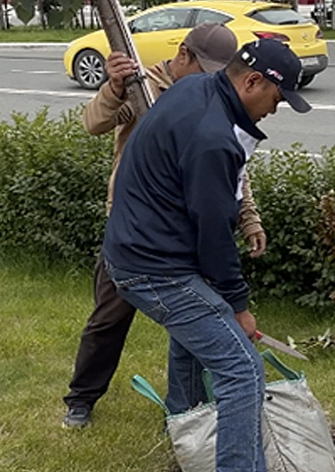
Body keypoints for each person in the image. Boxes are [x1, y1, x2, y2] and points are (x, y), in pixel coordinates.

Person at [102, 39, 311, 471]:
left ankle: (188, 433)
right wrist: (238, 304)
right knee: (242, 370)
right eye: (277, 98)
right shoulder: (212, 137)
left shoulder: (195, 88)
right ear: (253, 81)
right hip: (154, 269)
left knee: (196, 342)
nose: (275, 109)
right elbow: (214, 231)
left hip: (138, 251)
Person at [62, 22, 268, 429]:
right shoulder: (143, 87)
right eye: (204, 67)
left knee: (191, 328)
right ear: (183, 55)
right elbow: (94, 123)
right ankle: (81, 400)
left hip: (187, 234)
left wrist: (248, 216)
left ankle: (186, 414)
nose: (212, 78)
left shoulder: (222, 98)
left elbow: (231, 168)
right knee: (107, 321)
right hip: (139, 232)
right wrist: (113, 88)